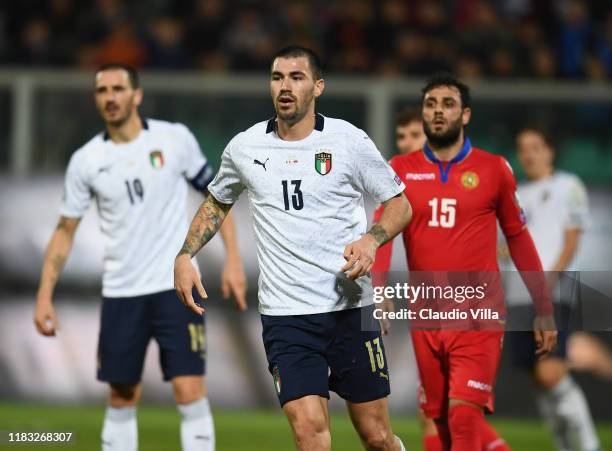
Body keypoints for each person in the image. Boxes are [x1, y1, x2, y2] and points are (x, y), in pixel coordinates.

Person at [174, 45, 411, 451]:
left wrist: (372, 239)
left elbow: (400, 204)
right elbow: (217, 201)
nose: (285, 86)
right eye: (277, 77)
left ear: (317, 86)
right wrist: (185, 254)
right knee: (310, 435)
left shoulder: (348, 141)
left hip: (350, 310)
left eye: (296, 77)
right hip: (287, 317)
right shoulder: (246, 147)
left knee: (376, 436)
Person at [34, 63, 247, 451]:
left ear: (137, 95)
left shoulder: (173, 139)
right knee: (121, 395)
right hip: (121, 291)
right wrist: (44, 294)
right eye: (102, 91)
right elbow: (65, 231)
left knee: (189, 389)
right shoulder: (87, 160)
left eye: (118, 89)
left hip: (177, 287)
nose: (110, 97)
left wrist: (233, 259)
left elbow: (218, 197)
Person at [374, 73, 557, 450]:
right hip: (426, 315)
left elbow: (519, 238)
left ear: (466, 114)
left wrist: (543, 305)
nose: (438, 112)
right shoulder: (400, 170)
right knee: (439, 420)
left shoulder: (494, 169)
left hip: (479, 313)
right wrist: (379, 290)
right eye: (431, 104)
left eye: (448, 104)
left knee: (463, 415)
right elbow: (383, 232)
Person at [504, 127, 601, 451]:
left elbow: (572, 238)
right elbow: (508, 247)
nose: (528, 153)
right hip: (517, 295)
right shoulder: (517, 193)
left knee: (551, 372)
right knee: (537, 376)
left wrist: (549, 280)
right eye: (522, 148)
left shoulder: (568, 186)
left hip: (551, 293)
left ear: (549, 151)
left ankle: (588, 445)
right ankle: (564, 446)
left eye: (535, 146)